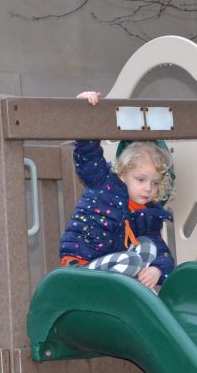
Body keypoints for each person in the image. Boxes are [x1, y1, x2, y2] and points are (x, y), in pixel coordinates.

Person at [59, 91, 175, 289]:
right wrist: (85, 112)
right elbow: (88, 155)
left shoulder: (147, 214)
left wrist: (157, 270)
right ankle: (114, 287)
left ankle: (124, 291)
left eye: (155, 183)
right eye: (141, 179)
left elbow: (162, 251)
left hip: (116, 263)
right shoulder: (104, 183)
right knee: (133, 261)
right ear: (122, 173)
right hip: (82, 264)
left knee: (148, 244)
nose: (148, 188)